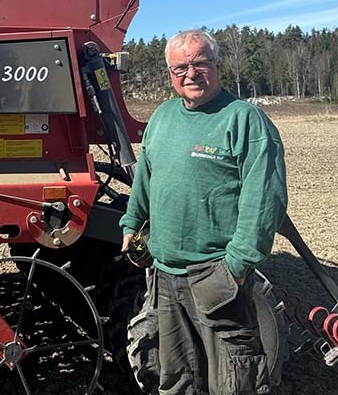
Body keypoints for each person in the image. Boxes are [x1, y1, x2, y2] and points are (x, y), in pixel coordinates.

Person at [120, 29, 287, 394]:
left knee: (233, 380)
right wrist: (132, 221)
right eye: (180, 67)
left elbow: (265, 200)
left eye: (200, 63)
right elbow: (146, 178)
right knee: (177, 378)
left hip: (215, 274)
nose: (190, 74)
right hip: (164, 275)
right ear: (170, 74)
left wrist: (237, 266)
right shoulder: (163, 117)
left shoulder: (244, 120)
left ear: (217, 66)